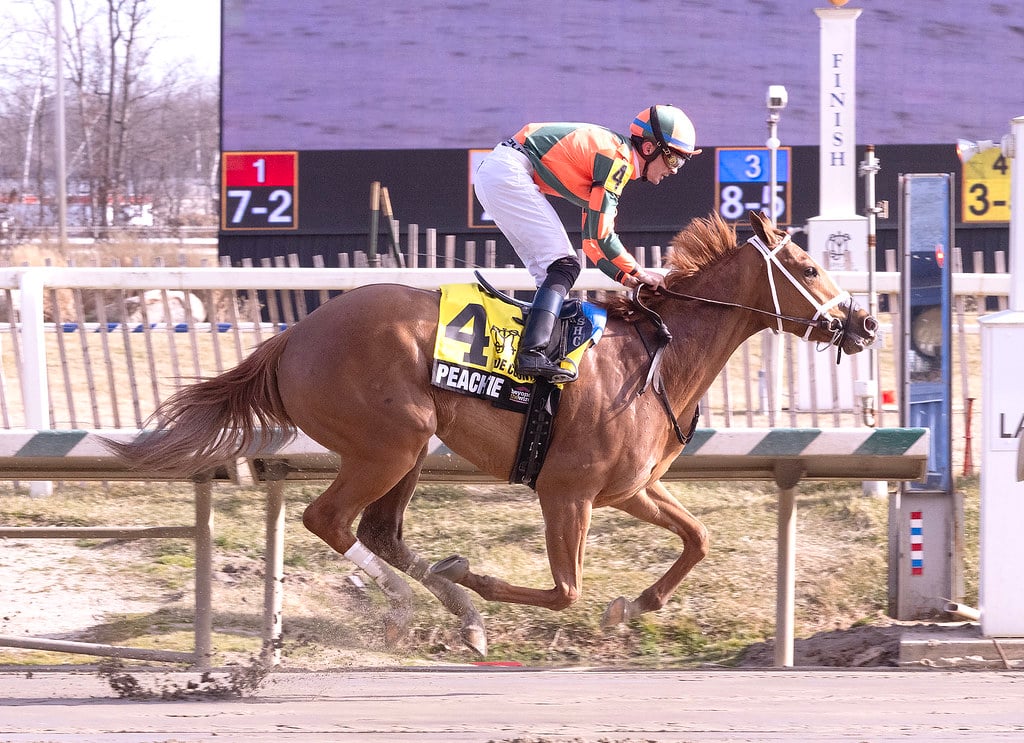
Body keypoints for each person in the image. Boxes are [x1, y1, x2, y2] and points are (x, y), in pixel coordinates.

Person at [474, 104, 701, 382]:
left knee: (554, 270)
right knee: (563, 265)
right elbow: (604, 236)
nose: (675, 171)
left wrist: (626, 277)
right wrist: (640, 272)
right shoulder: (617, 159)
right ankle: (532, 353)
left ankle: (537, 348)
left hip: (500, 171)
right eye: (675, 160)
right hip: (508, 172)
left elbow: (592, 243)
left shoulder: (611, 159)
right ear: (649, 148)